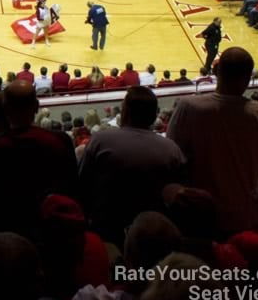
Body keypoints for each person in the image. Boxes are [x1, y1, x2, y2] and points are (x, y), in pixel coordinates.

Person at [166, 47, 258, 234]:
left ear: (216, 72)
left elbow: (172, 157)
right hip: (246, 216)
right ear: (249, 78)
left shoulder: (188, 107)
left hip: (198, 214)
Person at [0, 82, 78, 240]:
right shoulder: (61, 140)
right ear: (36, 107)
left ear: (5, 108)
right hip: (50, 233)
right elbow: (72, 189)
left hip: (2, 232)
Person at [78, 87, 185, 244]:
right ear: (154, 115)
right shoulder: (171, 149)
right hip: (155, 232)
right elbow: (178, 196)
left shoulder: (100, 140)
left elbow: (82, 184)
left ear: (125, 112)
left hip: (107, 228)